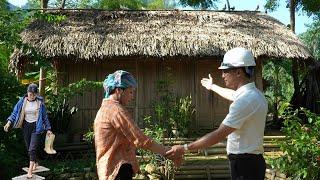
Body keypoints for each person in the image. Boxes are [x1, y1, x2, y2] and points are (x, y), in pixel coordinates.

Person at [166, 47, 268, 180]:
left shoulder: (245, 101)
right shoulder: (255, 95)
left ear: (238, 72)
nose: (222, 75)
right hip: (252, 162)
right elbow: (232, 95)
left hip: (244, 165)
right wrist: (212, 86)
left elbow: (218, 135)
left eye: (225, 71)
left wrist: (185, 147)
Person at [94, 70, 179, 180]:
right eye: (130, 92)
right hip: (118, 170)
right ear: (119, 90)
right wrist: (167, 151)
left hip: (108, 169)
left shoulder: (104, 109)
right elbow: (140, 139)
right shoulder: (115, 110)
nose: (132, 96)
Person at [3, 83, 53, 179]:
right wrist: (9, 122)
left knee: (32, 148)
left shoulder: (40, 103)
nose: (32, 96)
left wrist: (48, 129)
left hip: (36, 127)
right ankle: (35, 161)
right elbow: (14, 113)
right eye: (30, 94)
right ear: (27, 93)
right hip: (26, 126)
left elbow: (44, 117)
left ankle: (30, 170)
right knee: (28, 147)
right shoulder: (22, 101)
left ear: (36, 94)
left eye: (34, 94)